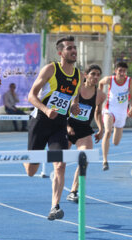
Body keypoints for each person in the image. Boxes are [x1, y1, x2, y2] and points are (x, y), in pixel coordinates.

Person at [24, 36, 81, 220]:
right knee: (31, 171)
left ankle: (54, 207)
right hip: (40, 121)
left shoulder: (78, 75)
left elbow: (73, 99)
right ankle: (26, 157)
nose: (74, 51)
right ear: (60, 53)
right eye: (69, 48)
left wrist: (74, 107)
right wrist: (46, 109)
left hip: (59, 124)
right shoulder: (50, 69)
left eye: (75, 48)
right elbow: (31, 96)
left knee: (60, 164)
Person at [65, 64, 106, 203]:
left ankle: (73, 191)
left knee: (85, 158)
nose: (95, 77)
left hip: (83, 130)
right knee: (59, 162)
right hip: (68, 126)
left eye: (98, 74)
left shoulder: (100, 95)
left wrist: (101, 129)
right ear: (86, 75)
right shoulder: (76, 88)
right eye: (93, 74)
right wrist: (67, 126)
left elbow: (98, 112)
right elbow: (65, 107)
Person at [98, 62, 132, 171]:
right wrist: (101, 96)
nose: (122, 73)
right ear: (115, 71)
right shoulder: (110, 80)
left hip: (122, 113)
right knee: (108, 132)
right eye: (120, 70)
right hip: (110, 110)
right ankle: (105, 161)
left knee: (116, 142)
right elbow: (100, 82)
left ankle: (115, 129)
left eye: (124, 71)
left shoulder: (129, 81)